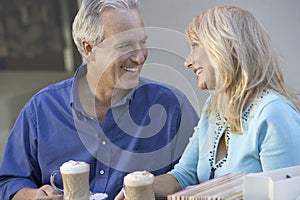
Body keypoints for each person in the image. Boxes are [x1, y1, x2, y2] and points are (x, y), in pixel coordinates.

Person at [0, 0, 199, 199]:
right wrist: (33, 196)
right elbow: (8, 182)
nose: (140, 57)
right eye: (125, 45)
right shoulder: (41, 109)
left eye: (142, 42)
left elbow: (202, 179)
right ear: (89, 48)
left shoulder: (173, 107)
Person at [115, 6, 300, 199]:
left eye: (195, 46)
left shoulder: (273, 113)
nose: (187, 62)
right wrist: (140, 186)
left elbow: (286, 195)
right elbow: (182, 176)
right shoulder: (213, 110)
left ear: (224, 47)